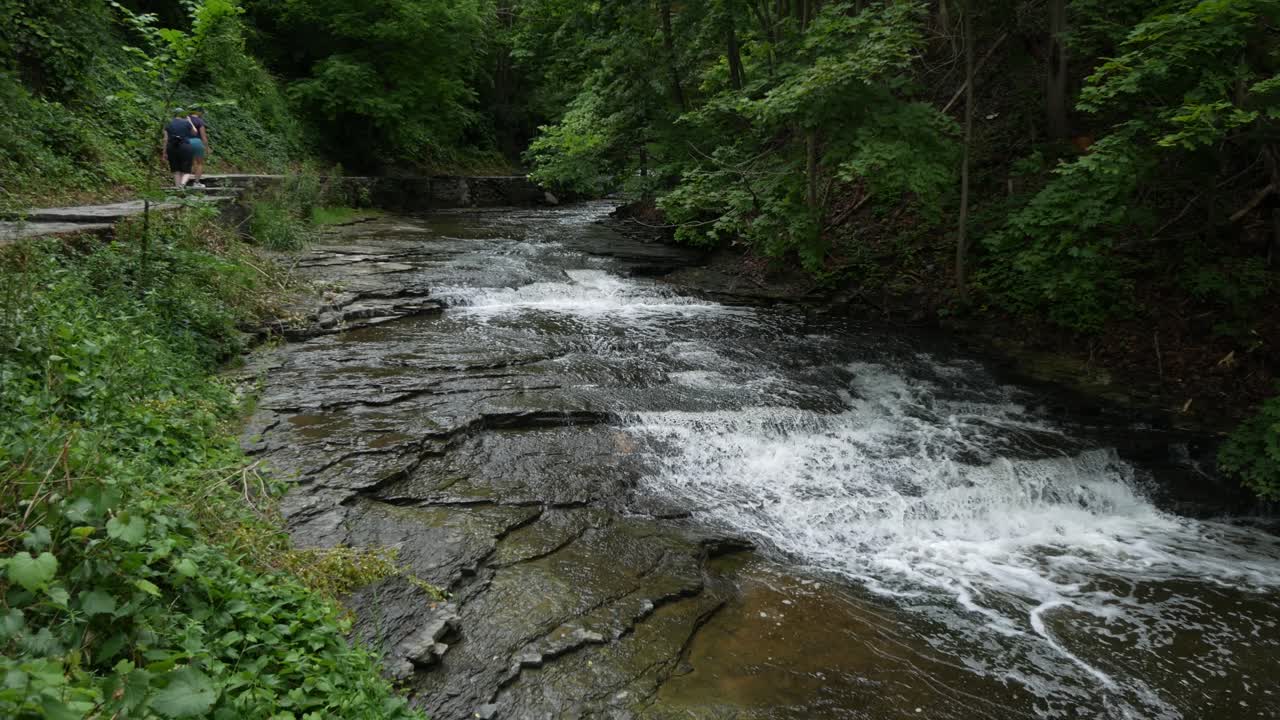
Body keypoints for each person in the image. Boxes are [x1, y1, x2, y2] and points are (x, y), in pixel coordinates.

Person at [161, 108, 197, 189]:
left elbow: (165, 139)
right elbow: (195, 132)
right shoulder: (186, 122)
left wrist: (164, 152)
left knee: (176, 171)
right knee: (187, 171)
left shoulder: (168, 123)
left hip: (172, 147)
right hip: (185, 147)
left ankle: (178, 189)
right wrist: (190, 121)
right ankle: (182, 184)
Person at [188, 105, 210, 188]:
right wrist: (207, 147)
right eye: (202, 113)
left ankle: (184, 181)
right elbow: (203, 136)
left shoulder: (186, 119)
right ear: (199, 112)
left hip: (186, 143)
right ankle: (196, 182)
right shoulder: (199, 121)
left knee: (192, 162)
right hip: (197, 142)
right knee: (200, 163)